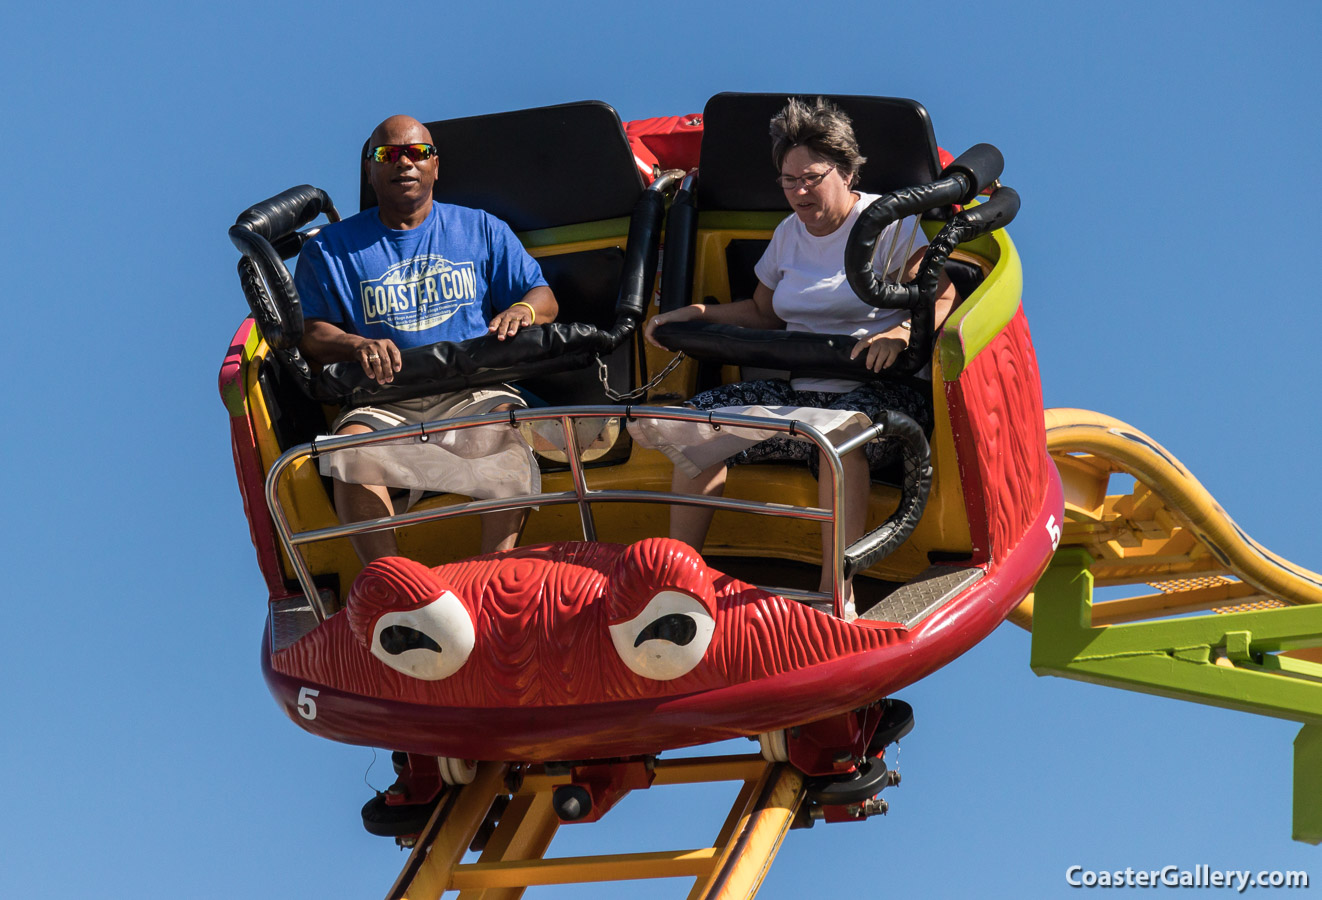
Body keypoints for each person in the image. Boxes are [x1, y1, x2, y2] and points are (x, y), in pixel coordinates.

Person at [643, 97, 956, 610]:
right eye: (788, 181)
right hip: (802, 389)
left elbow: (943, 296)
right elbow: (764, 312)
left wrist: (899, 333)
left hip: (882, 393)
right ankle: (675, 584)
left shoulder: (891, 225)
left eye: (810, 178)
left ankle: (837, 594)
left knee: (838, 438)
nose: (799, 193)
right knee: (696, 425)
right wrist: (694, 315)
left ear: (847, 170)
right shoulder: (788, 233)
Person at [294, 114, 558, 563]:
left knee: (503, 427)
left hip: (472, 390)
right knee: (350, 450)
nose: (404, 163)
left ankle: (494, 573)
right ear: (369, 169)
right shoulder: (328, 249)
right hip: (381, 399)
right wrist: (356, 345)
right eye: (388, 154)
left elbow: (544, 298)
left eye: (418, 153)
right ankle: (390, 584)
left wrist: (521, 310)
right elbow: (311, 333)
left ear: (436, 165)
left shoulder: (482, 229)